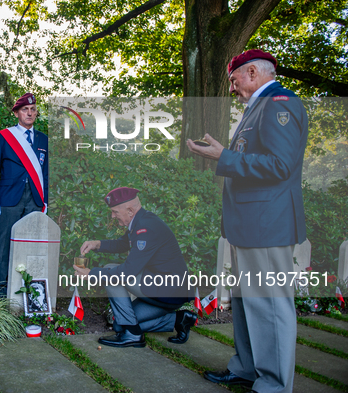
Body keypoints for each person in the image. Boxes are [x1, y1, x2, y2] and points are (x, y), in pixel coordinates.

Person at [186, 49, 308, 392]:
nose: (233, 86)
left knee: (269, 306)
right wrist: (224, 154)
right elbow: (258, 159)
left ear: (252, 72)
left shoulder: (278, 103)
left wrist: (223, 157)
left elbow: (279, 165)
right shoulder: (259, 106)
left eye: (234, 78)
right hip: (250, 224)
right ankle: (247, 368)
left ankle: (273, 384)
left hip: (267, 225)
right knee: (245, 302)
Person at [75, 187, 196, 348]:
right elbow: (123, 243)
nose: (112, 215)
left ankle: (132, 336)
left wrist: (92, 274)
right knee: (120, 326)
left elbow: (127, 273)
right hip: (164, 288)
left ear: (130, 210)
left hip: (169, 290)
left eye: (115, 212)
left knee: (112, 272)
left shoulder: (146, 227)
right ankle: (179, 319)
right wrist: (97, 244)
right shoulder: (141, 221)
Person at [0, 93, 48, 296]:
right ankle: (0, 290)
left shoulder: (43, 139)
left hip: (34, 199)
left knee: (32, 245)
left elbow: (46, 173)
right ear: (16, 113)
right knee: (5, 244)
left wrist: (45, 201)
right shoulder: (4, 136)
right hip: (9, 198)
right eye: (25, 109)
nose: (30, 113)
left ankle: (28, 290)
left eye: (33, 109)